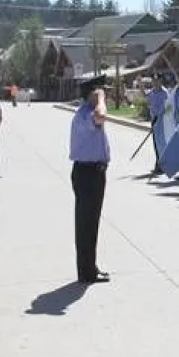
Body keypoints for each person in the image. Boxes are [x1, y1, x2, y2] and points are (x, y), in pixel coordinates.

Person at [70, 75, 112, 284]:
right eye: (100, 91)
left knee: (90, 224)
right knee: (87, 224)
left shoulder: (85, 112)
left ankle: (89, 267)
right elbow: (101, 116)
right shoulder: (88, 113)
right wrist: (101, 99)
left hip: (91, 172)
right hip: (88, 173)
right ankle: (87, 272)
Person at [146, 73, 168, 175]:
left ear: (161, 81)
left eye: (157, 81)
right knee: (156, 143)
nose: (155, 83)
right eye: (154, 81)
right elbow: (149, 104)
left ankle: (162, 165)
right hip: (154, 119)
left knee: (162, 143)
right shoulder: (151, 93)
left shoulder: (165, 93)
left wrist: (160, 116)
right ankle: (159, 163)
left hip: (162, 120)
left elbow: (167, 107)